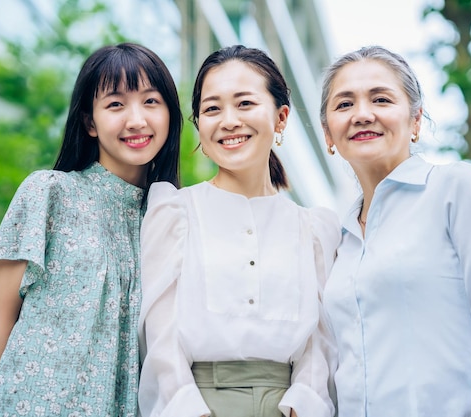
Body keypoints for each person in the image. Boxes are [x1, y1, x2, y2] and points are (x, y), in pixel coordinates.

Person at [320, 45, 471, 417]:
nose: (362, 114)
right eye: (344, 105)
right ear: (328, 134)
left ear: (416, 120)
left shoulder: (454, 188)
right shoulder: (338, 237)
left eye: (381, 99)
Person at [0, 42, 182, 417]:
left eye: (151, 101)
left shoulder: (170, 219)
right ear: (90, 122)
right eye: (115, 104)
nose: (136, 120)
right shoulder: (49, 193)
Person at [137, 44, 340, 417]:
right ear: (199, 124)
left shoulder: (314, 228)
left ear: (280, 118)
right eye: (212, 109)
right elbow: (160, 336)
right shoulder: (175, 213)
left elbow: (321, 341)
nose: (229, 121)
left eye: (245, 103)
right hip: (199, 405)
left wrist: (304, 404)